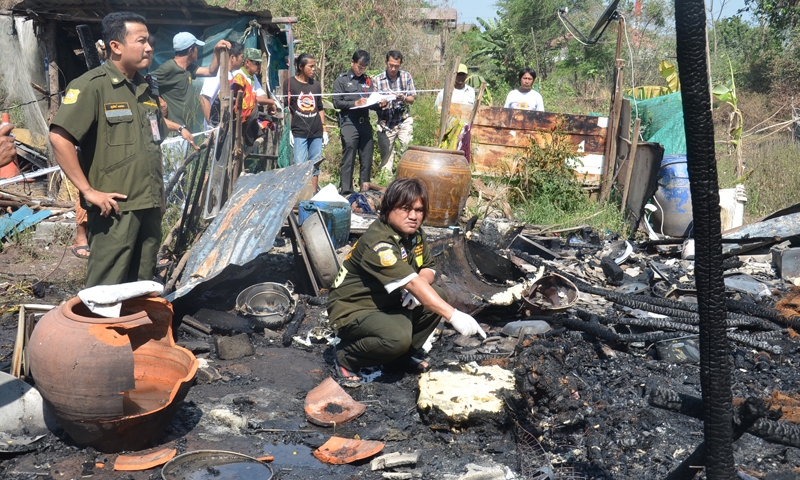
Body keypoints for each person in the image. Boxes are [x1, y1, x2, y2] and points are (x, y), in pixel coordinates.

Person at [327, 178, 486, 385]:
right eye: (405, 208)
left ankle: (398, 358)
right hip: (354, 308)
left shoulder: (414, 234)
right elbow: (412, 283)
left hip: (386, 300)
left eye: (419, 210)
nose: (413, 216)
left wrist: (419, 284)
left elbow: (428, 267)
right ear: (388, 207)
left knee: (437, 295)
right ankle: (347, 356)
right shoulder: (379, 242)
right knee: (397, 338)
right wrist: (452, 314)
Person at [49, 11, 167, 287]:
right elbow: (59, 138)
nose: (149, 47)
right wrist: (89, 192)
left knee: (141, 284)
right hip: (114, 210)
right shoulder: (93, 87)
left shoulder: (146, 90)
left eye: (149, 41)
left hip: (148, 207)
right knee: (106, 288)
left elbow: (154, 144)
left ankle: (132, 330)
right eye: (141, 41)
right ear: (116, 46)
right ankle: (96, 331)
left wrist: (160, 194)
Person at [152, 32, 231, 149]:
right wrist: (160, 103)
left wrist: (216, 51)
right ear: (190, 50)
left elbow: (211, 72)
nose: (197, 51)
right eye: (196, 48)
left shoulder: (188, 69)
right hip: (172, 134)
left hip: (184, 132)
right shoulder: (169, 68)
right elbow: (145, 82)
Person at [332, 50, 386, 194]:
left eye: (364, 67)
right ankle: (346, 193)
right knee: (349, 159)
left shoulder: (367, 81)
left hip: (365, 123)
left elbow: (371, 103)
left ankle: (365, 193)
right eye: (359, 66)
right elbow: (336, 102)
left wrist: (380, 104)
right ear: (352, 63)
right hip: (349, 122)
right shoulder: (342, 80)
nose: (361, 70)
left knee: (366, 159)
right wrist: (354, 103)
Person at [285, 53, 327, 192]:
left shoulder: (315, 85)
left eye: (314, 66)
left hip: (316, 131)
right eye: (311, 66)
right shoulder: (290, 84)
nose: (313, 69)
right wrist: (289, 130)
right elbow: (288, 109)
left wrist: (324, 129)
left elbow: (320, 108)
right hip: (299, 132)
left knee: (315, 164)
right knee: (299, 165)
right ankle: (298, 195)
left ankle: (312, 194)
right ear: (300, 66)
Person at [373, 50, 416, 173]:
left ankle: (407, 177)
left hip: (403, 119)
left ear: (400, 64)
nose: (393, 68)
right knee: (386, 158)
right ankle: (385, 184)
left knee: (408, 149)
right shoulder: (377, 80)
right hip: (385, 123)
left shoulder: (406, 77)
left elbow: (412, 99)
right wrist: (382, 102)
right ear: (386, 62)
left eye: (396, 66)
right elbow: (373, 102)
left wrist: (404, 98)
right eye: (390, 65)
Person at [199, 41, 244, 128]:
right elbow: (204, 98)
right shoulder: (218, 73)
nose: (243, 61)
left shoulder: (231, 75)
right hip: (215, 131)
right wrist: (212, 125)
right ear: (232, 57)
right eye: (242, 57)